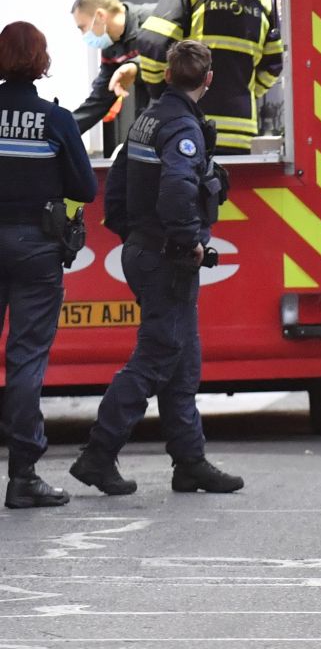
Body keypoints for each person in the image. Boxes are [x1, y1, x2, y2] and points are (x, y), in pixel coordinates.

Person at [69, 40, 242, 497]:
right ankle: (98, 455)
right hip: (167, 257)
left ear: (167, 75)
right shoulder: (182, 126)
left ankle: (190, 462)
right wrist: (189, 242)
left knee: (182, 360)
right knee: (156, 357)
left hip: (147, 251)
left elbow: (120, 182)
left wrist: (133, 235)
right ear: (207, 80)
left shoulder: (146, 119)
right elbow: (176, 191)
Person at [0, 22, 97, 508]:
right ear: (41, 61)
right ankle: (23, 476)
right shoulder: (54, 121)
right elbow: (85, 189)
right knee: (25, 358)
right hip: (37, 247)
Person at [112, 0, 282, 152]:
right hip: (240, 133)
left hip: (189, 127)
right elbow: (274, 64)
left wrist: (160, 91)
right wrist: (244, 92)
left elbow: (151, 42)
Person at [70, 0, 153, 134]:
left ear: (100, 15)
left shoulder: (154, 19)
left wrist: (135, 66)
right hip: (149, 118)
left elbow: (173, 55)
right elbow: (100, 99)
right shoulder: (111, 46)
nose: (84, 35)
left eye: (83, 27)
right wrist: (62, 130)